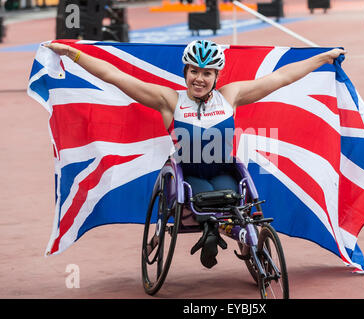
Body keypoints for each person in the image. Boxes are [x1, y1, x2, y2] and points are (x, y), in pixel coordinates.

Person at [45, 40, 345, 268]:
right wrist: (73, 54)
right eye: (193, 72)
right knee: (203, 201)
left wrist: (322, 57)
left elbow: (281, 78)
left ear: (217, 75)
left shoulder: (231, 95)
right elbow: (115, 77)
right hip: (188, 175)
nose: (199, 79)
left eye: (206, 73)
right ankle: (212, 229)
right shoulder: (168, 100)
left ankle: (232, 233)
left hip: (225, 169)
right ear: (185, 71)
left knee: (234, 200)